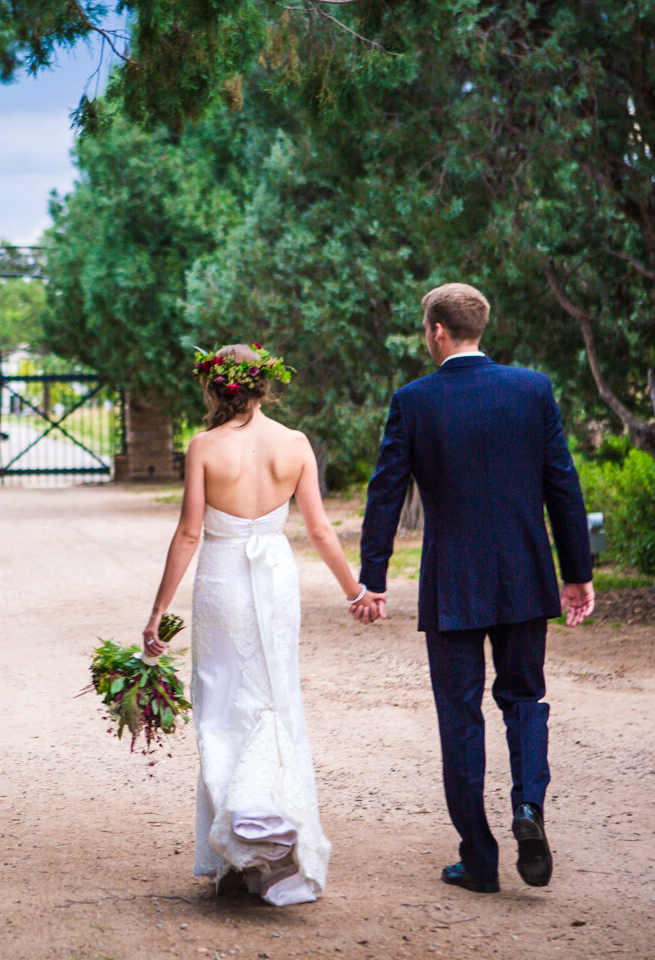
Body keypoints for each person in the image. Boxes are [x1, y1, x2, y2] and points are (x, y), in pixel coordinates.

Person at [351, 282, 594, 894]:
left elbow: (386, 493)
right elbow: (562, 484)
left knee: (460, 714)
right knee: (524, 698)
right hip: (523, 575)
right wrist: (577, 573)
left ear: (436, 331)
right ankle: (529, 809)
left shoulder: (414, 401)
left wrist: (373, 578)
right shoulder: (532, 389)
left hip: (453, 583)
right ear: (478, 326)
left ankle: (479, 861)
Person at [141, 343, 366, 906]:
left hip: (222, 583)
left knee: (220, 706)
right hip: (275, 582)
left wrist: (158, 612)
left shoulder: (204, 447)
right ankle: (273, 842)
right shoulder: (294, 444)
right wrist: (355, 590)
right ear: (264, 387)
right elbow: (318, 530)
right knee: (274, 696)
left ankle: (235, 852)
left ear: (215, 387)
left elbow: (190, 534)